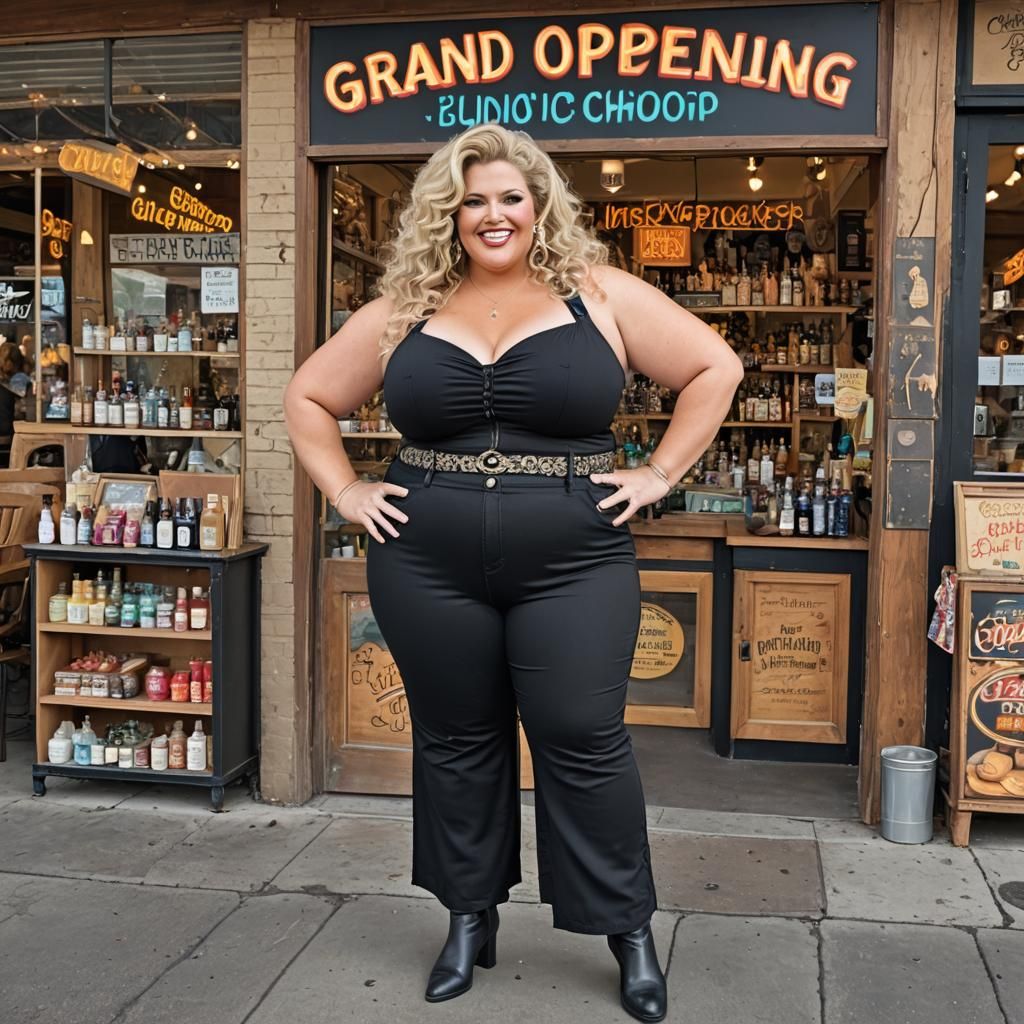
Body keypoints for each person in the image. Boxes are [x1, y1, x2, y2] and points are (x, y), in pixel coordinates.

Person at [284, 123, 742, 1022]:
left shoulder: (597, 294)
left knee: (583, 736)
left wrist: (658, 475)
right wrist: (343, 488)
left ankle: (628, 928)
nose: (493, 215)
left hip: (574, 559)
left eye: (509, 198)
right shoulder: (407, 306)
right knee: (457, 742)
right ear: (448, 215)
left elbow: (714, 367)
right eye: (473, 200)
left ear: (539, 206)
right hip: (426, 561)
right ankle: (468, 916)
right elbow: (306, 396)